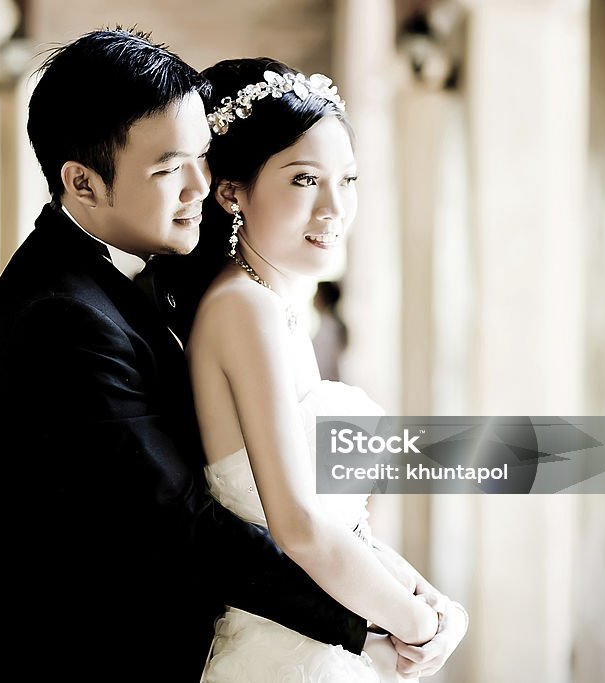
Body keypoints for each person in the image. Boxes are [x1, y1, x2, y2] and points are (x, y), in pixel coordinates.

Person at [0, 30, 375, 682]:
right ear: (82, 182)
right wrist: (361, 625)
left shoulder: (122, 281)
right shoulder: (63, 317)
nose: (202, 186)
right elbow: (182, 527)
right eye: (168, 168)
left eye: (203, 158)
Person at [164, 57, 470, 681]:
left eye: (348, 180)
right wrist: (416, 628)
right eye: (305, 180)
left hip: (312, 639)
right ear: (232, 192)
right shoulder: (242, 309)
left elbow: (338, 527)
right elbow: (298, 527)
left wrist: (425, 601)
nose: (335, 207)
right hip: (279, 655)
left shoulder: (269, 306)